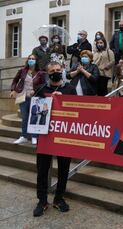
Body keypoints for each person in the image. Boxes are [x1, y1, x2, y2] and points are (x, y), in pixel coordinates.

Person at [33, 61, 77, 217]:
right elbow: (36, 113)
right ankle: (42, 200)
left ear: (63, 70)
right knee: (42, 169)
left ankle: (59, 198)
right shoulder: (41, 90)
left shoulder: (70, 89)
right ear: (47, 73)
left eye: (58, 70)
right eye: (52, 70)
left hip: (64, 136)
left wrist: (62, 99)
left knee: (64, 169)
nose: (55, 72)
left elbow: (77, 111)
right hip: (45, 136)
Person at [10, 55, 46, 145]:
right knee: (25, 117)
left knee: (34, 117)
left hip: (35, 98)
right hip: (23, 96)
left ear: (36, 61)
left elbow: (44, 84)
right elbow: (15, 80)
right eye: (29, 59)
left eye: (33, 59)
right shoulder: (22, 71)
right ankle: (23, 136)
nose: (31, 60)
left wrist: (36, 90)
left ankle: (34, 136)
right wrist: (13, 90)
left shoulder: (40, 73)